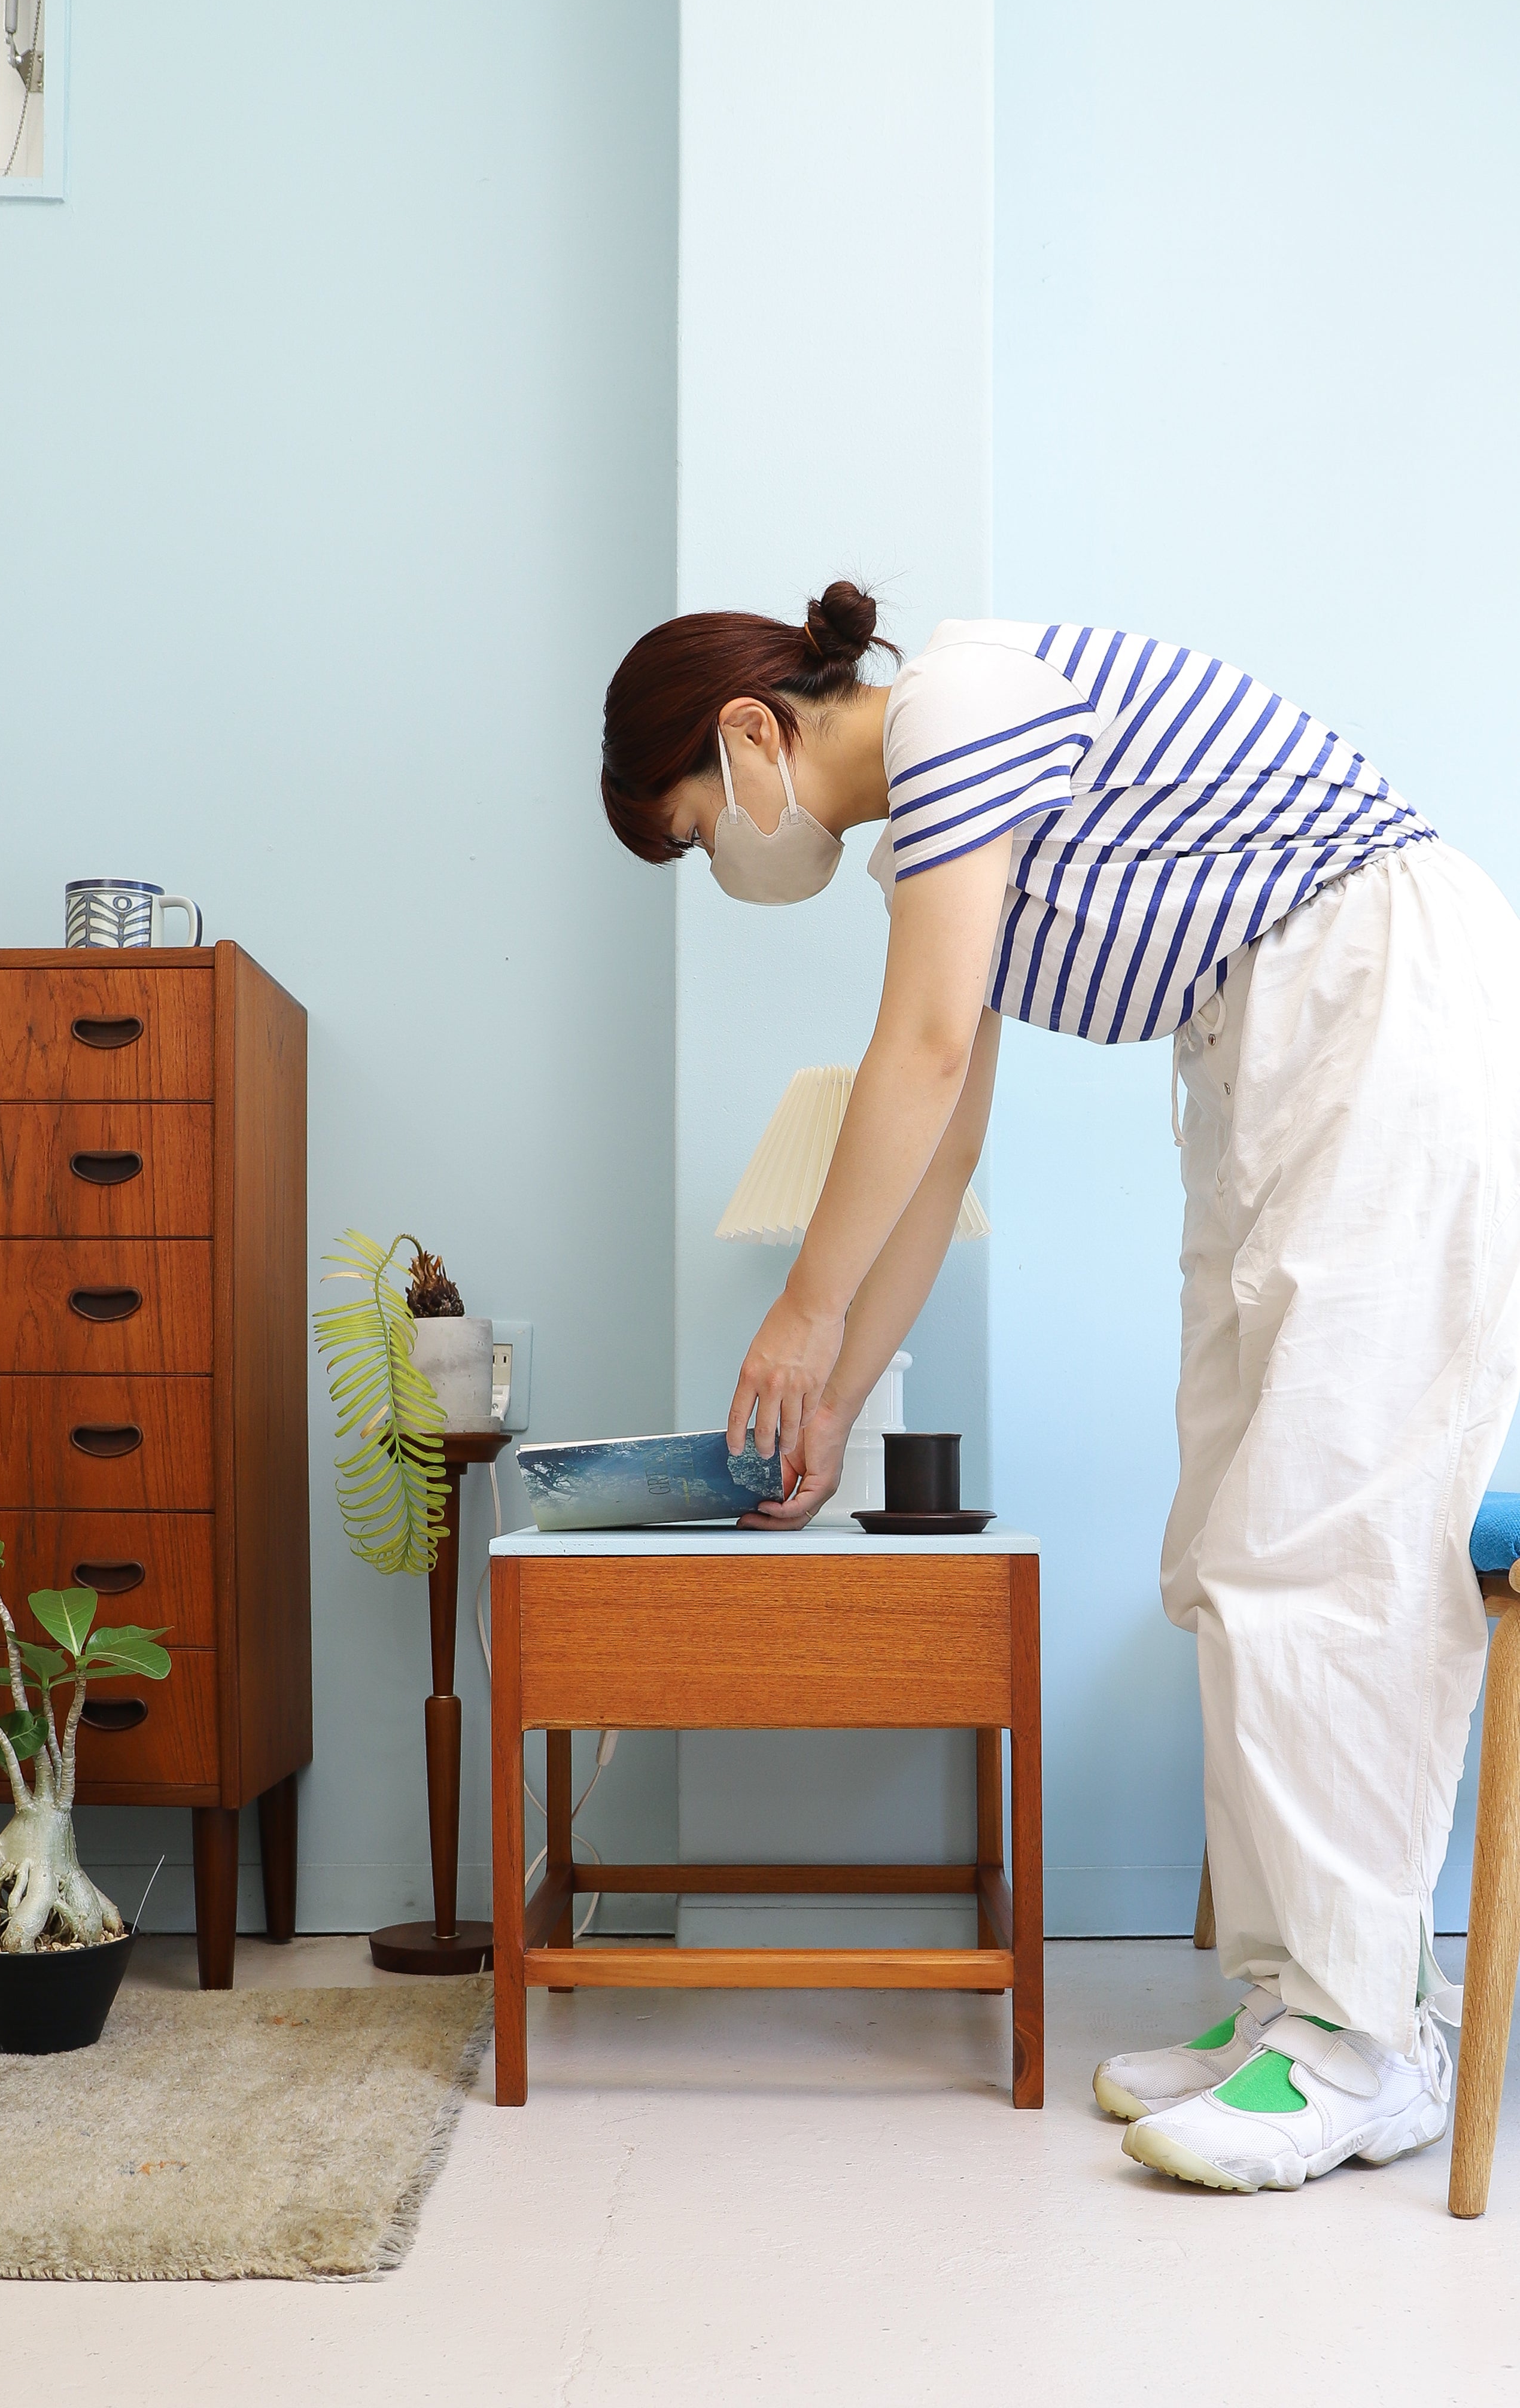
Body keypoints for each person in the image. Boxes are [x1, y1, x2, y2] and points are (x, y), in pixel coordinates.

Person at [599, 579, 1520, 2194]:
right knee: (1229, 1537)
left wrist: (799, 1324)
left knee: (1324, 1523)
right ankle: (1294, 2001)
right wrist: (831, 1395)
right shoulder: (943, 834)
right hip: (1270, 1031)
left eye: (691, 829)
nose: (716, 860)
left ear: (751, 733)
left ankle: (1368, 2047)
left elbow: (928, 1058)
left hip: (1378, 995)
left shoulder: (963, 704)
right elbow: (944, 1141)